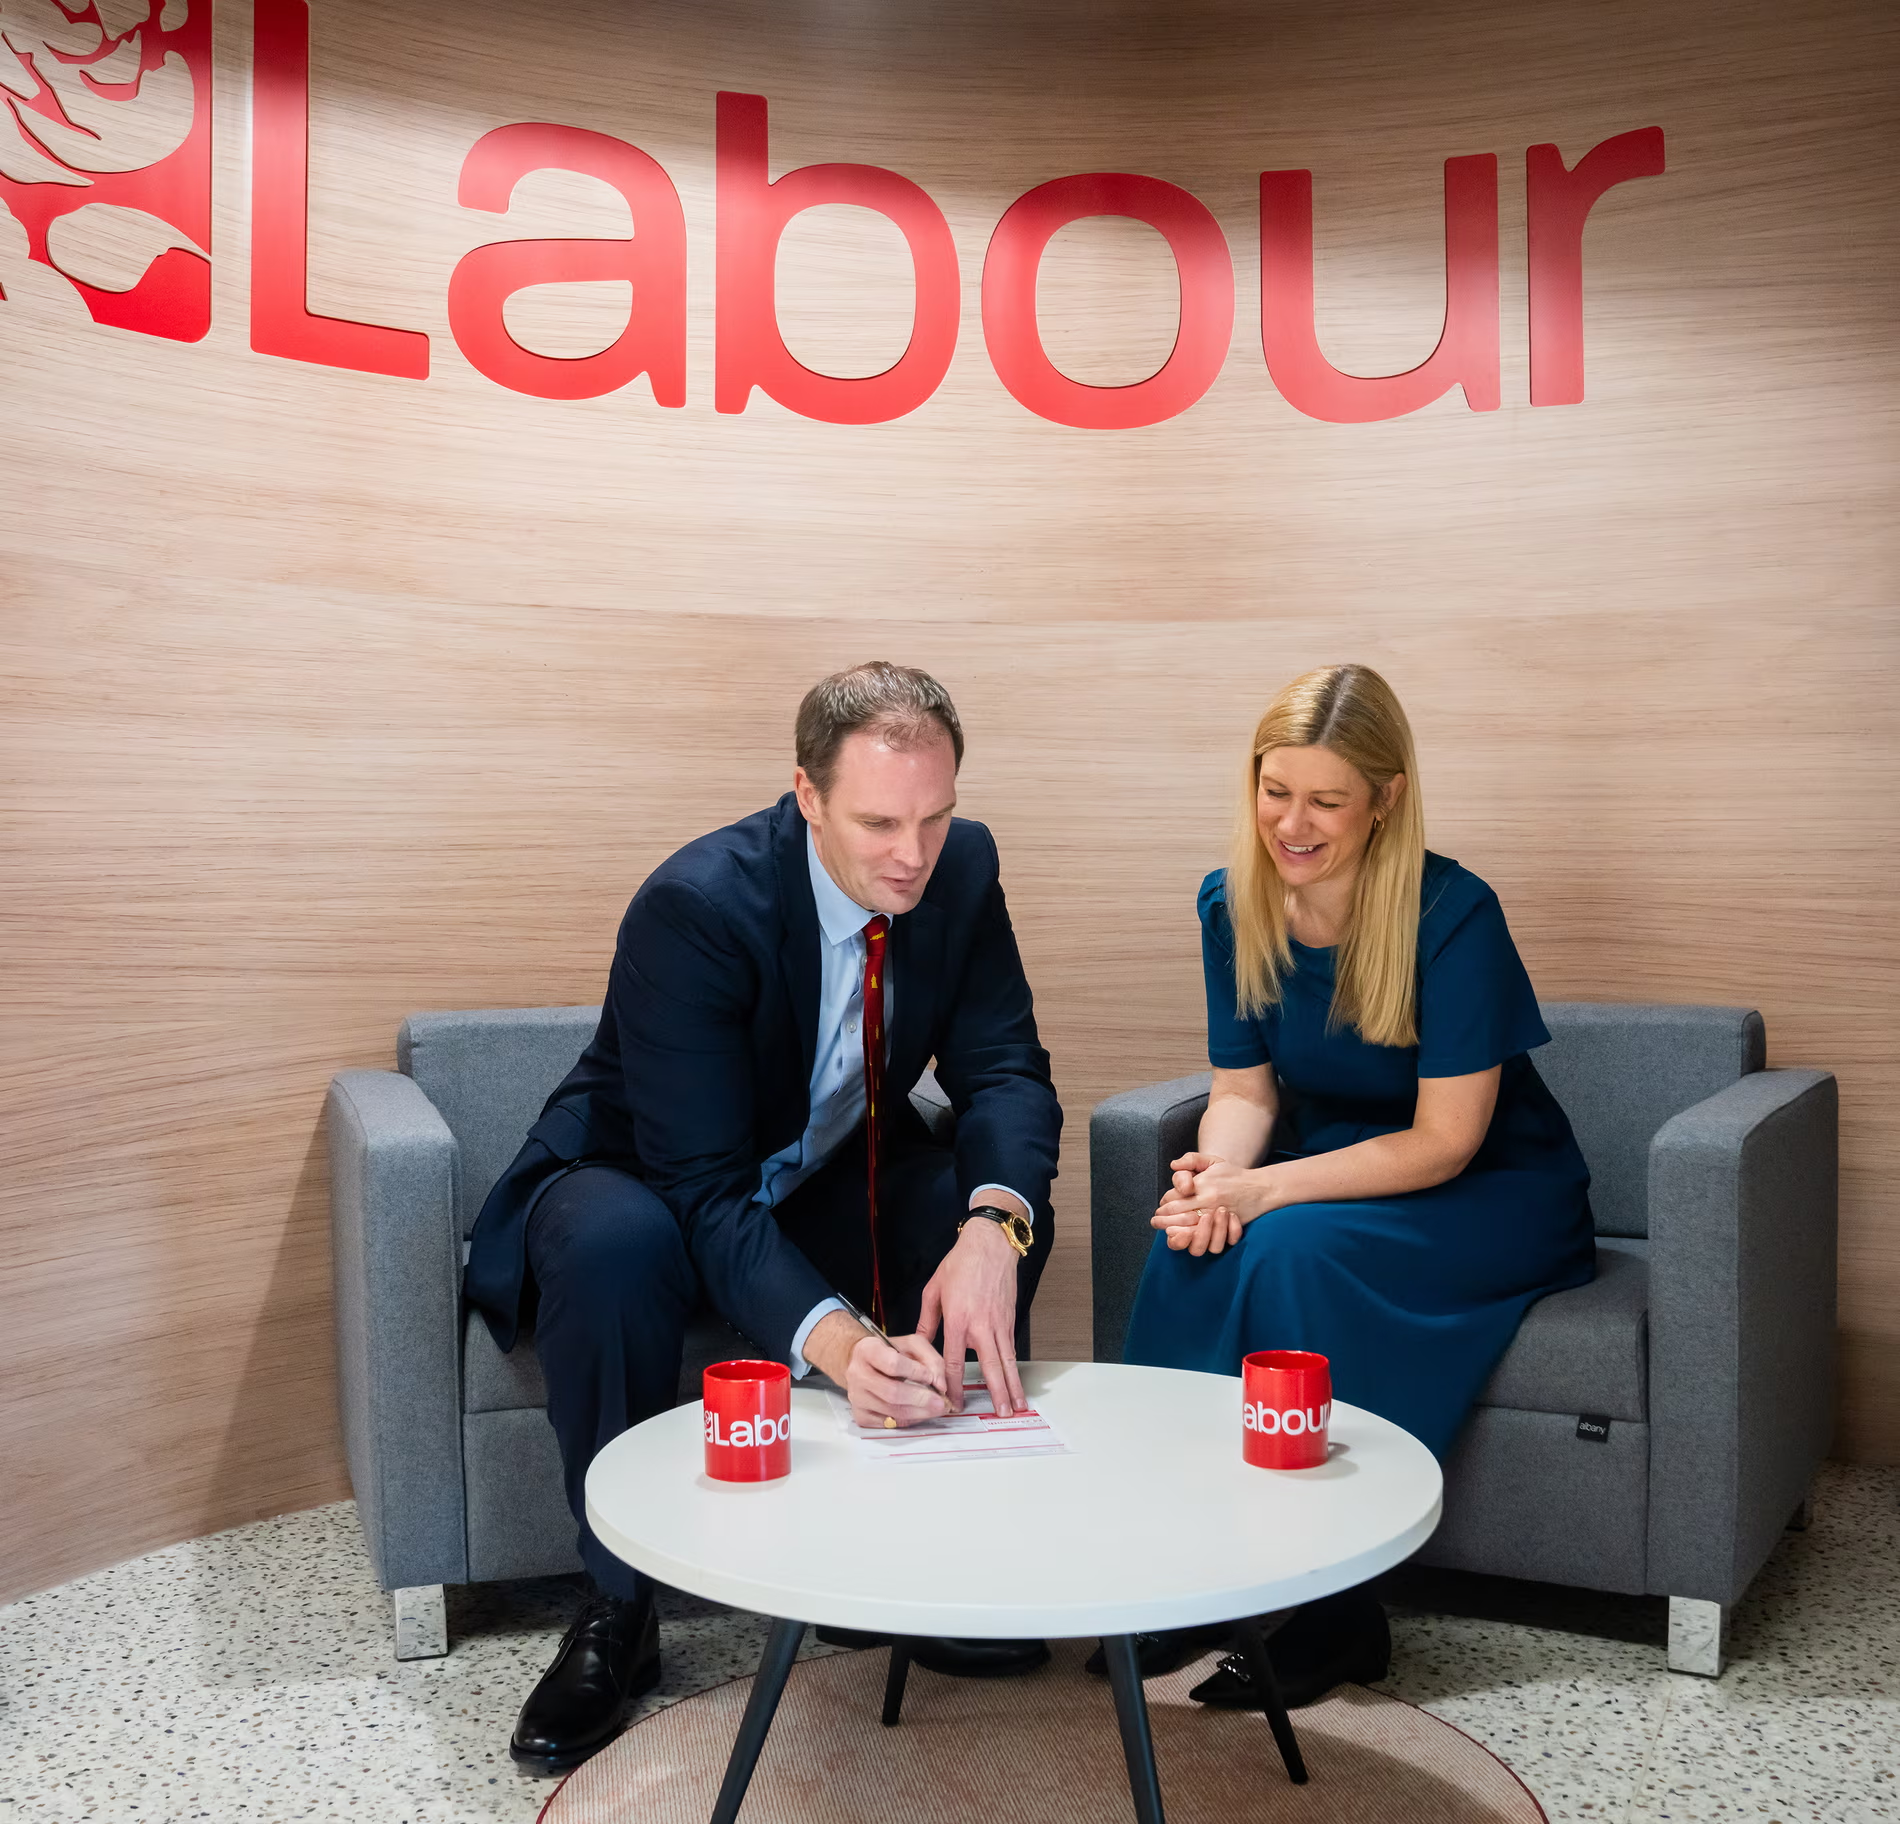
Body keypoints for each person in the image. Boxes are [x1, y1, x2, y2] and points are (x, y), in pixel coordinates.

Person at [463, 661, 1062, 1774]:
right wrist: (841, 1346)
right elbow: (700, 1187)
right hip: (642, 1175)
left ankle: (918, 1562)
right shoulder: (696, 905)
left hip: (817, 1171)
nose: (911, 855)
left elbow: (1006, 1072)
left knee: (970, 1197)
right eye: (879, 822)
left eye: (934, 817)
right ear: (806, 796)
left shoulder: (960, 868)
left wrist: (995, 1227)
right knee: (615, 1243)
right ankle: (617, 1610)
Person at [1117, 662, 1595, 1710]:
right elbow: (1241, 1090)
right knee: (1189, 1237)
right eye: (1274, 789)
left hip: (1489, 1188)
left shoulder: (1452, 914)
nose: (1293, 822)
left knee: (1289, 1245)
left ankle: (1341, 1605)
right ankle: (1182, 1563)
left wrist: (1269, 1192)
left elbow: (1444, 1142)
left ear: (1383, 797)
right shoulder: (1227, 900)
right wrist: (1224, 1175)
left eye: (1326, 799)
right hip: (1330, 1165)